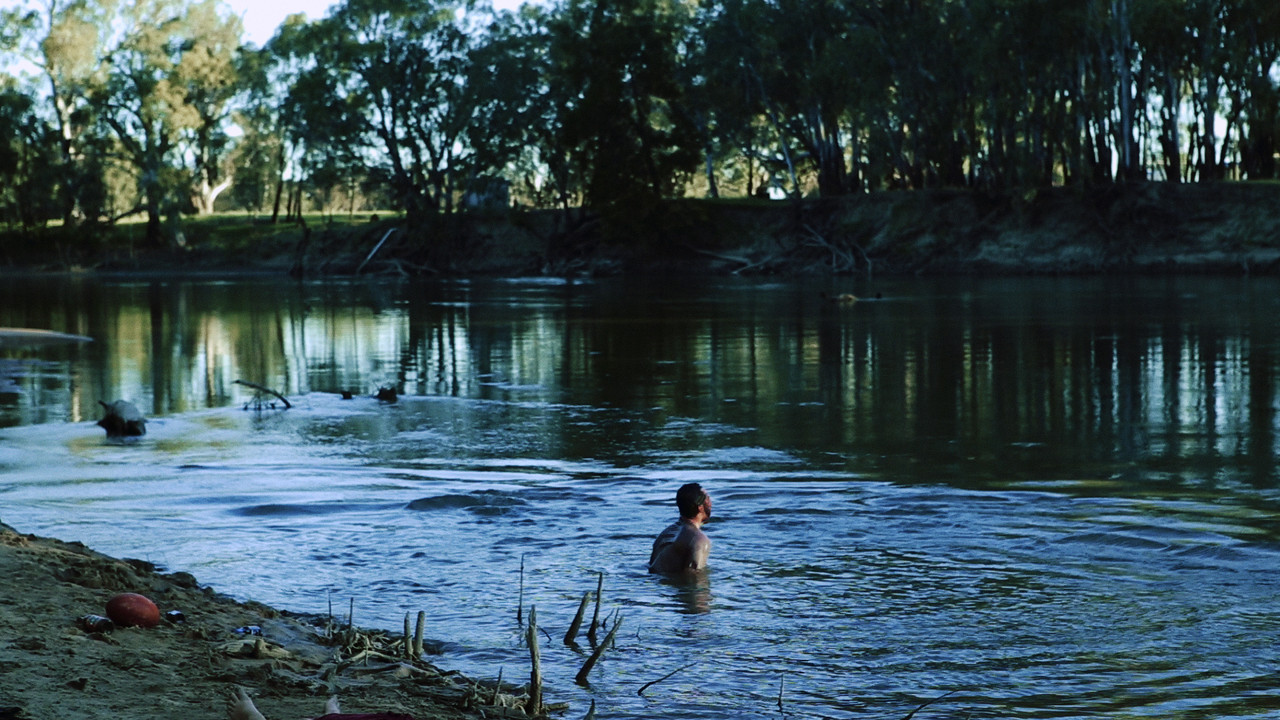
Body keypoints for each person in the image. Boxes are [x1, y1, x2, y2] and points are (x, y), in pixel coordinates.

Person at [648, 483, 712, 576]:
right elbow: (695, 580)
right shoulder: (699, 540)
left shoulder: (665, 534)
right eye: (707, 498)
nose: (711, 503)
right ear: (700, 507)